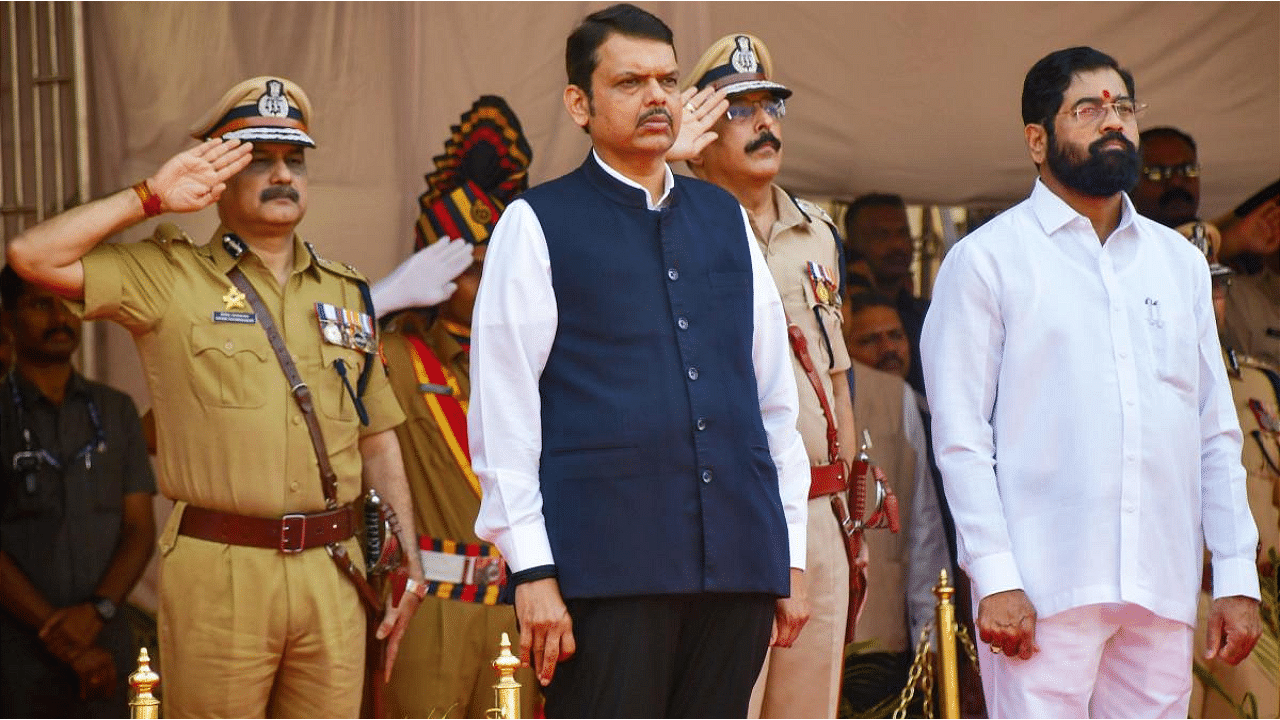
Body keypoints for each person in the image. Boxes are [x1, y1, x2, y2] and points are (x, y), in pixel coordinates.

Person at [5, 76, 425, 718]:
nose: (282, 173)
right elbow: (32, 255)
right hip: (223, 565)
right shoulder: (169, 276)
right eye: (258, 158)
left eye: (294, 160)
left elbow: (377, 437)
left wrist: (407, 561)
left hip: (331, 567)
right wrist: (150, 197)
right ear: (217, 175)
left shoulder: (344, 292)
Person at [469, 5, 811, 717]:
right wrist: (531, 568)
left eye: (667, 80)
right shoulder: (536, 224)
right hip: (605, 572)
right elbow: (504, 414)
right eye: (629, 82)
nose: (657, 97)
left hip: (739, 567)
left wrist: (791, 553)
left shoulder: (723, 219)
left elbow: (773, 402)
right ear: (579, 104)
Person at [921, 46, 1261, 718]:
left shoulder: (1178, 265)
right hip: (1042, 592)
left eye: (1123, 107)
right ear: (1036, 140)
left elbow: (1214, 432)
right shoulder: (987, 262)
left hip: (1159, 590)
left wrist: (1235, 574)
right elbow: (960, 435)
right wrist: (994, 577)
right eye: (1089, 108)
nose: (1114, 122)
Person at [679, 32, 857, 719]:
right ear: (701, 129)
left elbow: (834, 373)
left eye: (771, 106)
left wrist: (845, 503)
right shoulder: (674, 227)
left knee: (811, 706)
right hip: (725, 511)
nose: (764, 123)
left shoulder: (819, 233)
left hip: (816, 508)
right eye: (739, 108)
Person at [376, 95, 539, 720]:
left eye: (496, 264)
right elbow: (309, 354)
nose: (486, 280)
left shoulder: (534, 363)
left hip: (515, 607)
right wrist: (385, 297)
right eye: (469, 267)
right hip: (430, 605)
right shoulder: (390, 355)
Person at [0, 265, 156, 718]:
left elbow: (139, 530)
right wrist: (64, 640)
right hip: (15, 650)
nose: (60, 317)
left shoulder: (116, 410)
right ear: (7, 318)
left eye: (69, 304)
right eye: (39, 304)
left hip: (105, 643)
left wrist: (97, 612)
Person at [840, 291, 962, 717]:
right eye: (870, 339)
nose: (887, 348)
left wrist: (931, 636)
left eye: (895, 335)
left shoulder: (896, 398)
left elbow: (922, 529)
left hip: (882, 655)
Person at [843, 193, 930, 396]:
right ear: (852, 245)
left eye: (903, 233)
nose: (897, 245)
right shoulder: (840, 316)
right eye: (881, 235)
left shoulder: (928, 315)